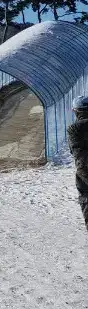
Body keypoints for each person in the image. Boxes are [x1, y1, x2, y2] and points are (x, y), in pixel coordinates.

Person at [67, 95, 88, 230]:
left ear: (76, 111)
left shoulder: (73, 128)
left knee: (86, 198)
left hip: (85, 169)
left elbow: (73, 150)